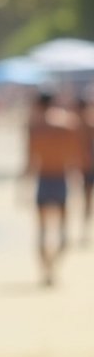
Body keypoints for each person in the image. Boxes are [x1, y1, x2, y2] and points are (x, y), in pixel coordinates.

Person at [26, 90, 82, 284]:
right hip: (61, 178)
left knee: (42, 230)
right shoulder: (68, 124)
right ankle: (54, 267)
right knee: (63, 230)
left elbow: (30, 160)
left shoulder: (35, 127)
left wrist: (22, 186)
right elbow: (75, 155)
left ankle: (46, 270)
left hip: (43, 178)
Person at [75, 92, 94, 244]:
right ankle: (85, 231)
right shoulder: (78, 126)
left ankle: (85, 231)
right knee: (86, 201)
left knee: (86, 201)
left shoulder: (84, 125)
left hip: (87, 168)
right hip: (86, 169)